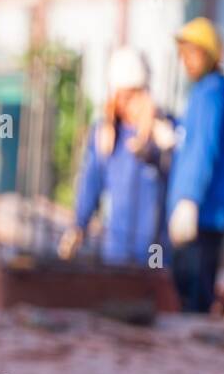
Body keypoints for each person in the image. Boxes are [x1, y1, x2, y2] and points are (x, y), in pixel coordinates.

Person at [64, 47, 175, 266]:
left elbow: (179, 176)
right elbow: (91, 181)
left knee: (152, 293)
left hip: (154, 249)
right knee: (118, 295)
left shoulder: (164, 130)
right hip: (117, 247)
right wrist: (79, 225)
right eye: (121, 97)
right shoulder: (106, 134)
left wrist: (160, 151)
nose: (126, 104)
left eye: (131, 96)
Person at [167, 17, 224, 313]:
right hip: (205, 213)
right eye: (183, 53)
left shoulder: (211, 93)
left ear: (208, 55)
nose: (186, 61)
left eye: (192, 53)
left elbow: (203, 149)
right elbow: (191, 138)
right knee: (189, 292)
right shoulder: (210, 92)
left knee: (192, 295)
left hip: (203, 216)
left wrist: (189, 198)